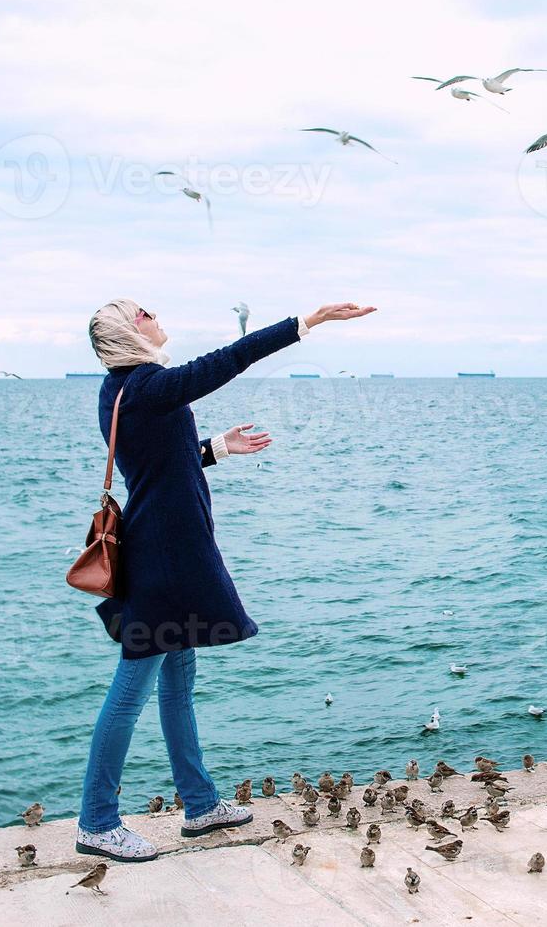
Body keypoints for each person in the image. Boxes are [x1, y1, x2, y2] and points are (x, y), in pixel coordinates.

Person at [75, 299, 376, 861]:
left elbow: (158, 465)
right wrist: (306, 323)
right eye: (144, 312)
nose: (155, 313)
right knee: (130, 691)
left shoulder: (121, 392)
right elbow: (229, 358)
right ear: (128, 332)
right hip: (164, 559)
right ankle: (96, 820)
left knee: (179, 681)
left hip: (168, 551)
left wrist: (215, 449)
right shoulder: (145, 385)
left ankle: (200, 804)